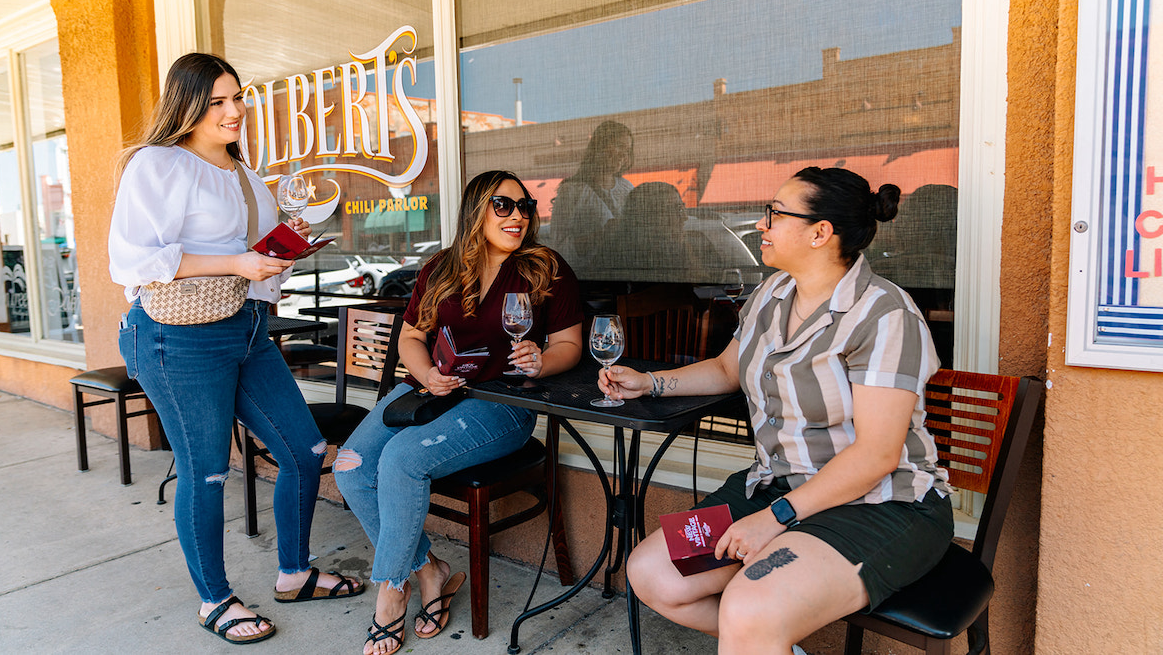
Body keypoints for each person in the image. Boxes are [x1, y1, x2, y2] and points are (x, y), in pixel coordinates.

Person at [601, 166, 954, 655]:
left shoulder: (885, 315)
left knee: (749, 608)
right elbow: (728, 369)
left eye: (775, 213)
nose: (761, 224)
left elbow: (876, 455)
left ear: (820, 233)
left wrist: (775, 518)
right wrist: (651, 383)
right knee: (654, 574)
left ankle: (757, 638)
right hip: (777, 485)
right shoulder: (773, 294)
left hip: (881, 505)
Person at [109, 53, 364, 646]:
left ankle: (294, 573)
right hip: (178, 337)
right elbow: (135, 261)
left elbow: (253, 255)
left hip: (247, 327)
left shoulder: (243, 172)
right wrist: (237, 261)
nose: (235, 110)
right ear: (188, 106)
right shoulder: (158, 164)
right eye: (218, 101)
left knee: (304, 447)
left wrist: (283, 248)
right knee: (208, 471)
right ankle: (214, 600)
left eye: (238, 97)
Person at [333, 170, 584, 655]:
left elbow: (570, 345)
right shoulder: (442, 268)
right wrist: (426, 373)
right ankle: (430, 569)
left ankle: (390, 595)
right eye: (503, 205)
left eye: (524, 205)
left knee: (401, 460)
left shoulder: (545, 268)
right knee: (351, 466)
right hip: (430, 391)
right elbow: (411, 337)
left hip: (503, 402)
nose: (517, 216)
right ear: (476, 211)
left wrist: (542, 358)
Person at [550, 120, 635, 269]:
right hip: (590, 281)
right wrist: (601, 236)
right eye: (619, 146)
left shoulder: (627, 188)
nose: (624, 154)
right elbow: (559, 249)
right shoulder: (572, 191)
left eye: (627, 150)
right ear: (600, 146)